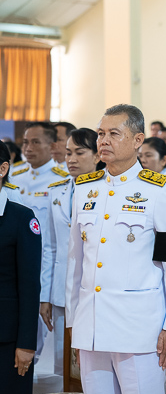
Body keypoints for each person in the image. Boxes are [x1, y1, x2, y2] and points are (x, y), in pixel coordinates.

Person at [66, 104, 166, 394]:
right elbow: (75, 263)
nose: (104, 141)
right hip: (92, 326)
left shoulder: (160, 190)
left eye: (113, 134)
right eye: (100, 134)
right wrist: (74, 324)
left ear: (138, 140)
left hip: (139, 330)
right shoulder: (85, 190)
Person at [40, 128, 102, 377]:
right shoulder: (57, 191)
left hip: (92, 286)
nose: (71, 159)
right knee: (63, 365)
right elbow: (50, 247)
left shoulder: (106, 191)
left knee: (93, 362)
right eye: (68, 153)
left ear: (97, 155)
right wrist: (45, 294)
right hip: (60, 291)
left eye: (79, 152)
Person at [8, 122, 69, 360]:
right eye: (25, 142)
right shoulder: (14, 176)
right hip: (14, 263)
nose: (28, 148)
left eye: (35, 142)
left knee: (35, 336)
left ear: (52, 145)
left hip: (45, 264)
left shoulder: (61, 181)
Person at [0, 140, 42, 394]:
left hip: (6, 338)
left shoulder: (21, 218)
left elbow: (29, 285)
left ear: (2, 168)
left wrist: (26, 343)